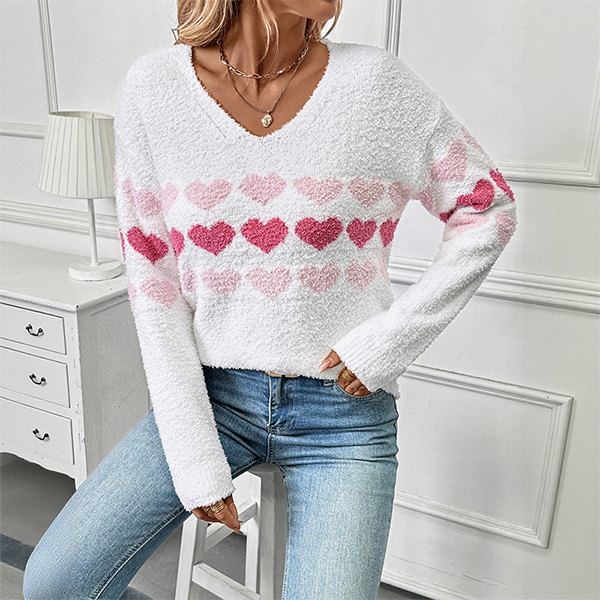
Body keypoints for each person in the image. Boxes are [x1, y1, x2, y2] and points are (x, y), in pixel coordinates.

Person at [23, 0, 517, 598]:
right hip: (213, 399)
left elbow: (487, 207)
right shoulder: (154, 90)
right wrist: (195, 460)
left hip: (342, 417)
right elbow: (154, 284)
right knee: (54, 583)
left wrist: (388, 342)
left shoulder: (379, 86)